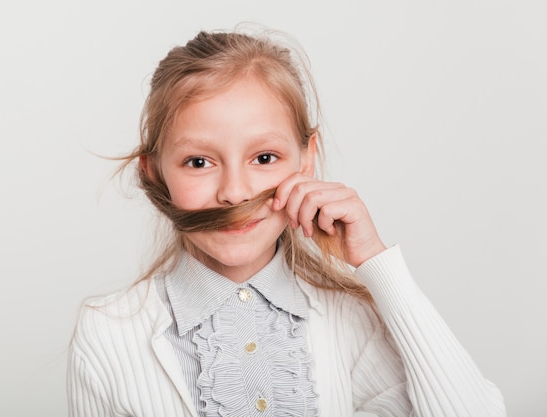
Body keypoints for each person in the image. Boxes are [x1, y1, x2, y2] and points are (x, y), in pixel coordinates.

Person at [67, 28, 506, 417]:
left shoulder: (348, 320)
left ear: (306, 159)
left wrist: (376, 262)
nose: (235, 193)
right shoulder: (107, 331)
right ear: (153, 171)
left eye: (264, 158)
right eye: (199, 162)